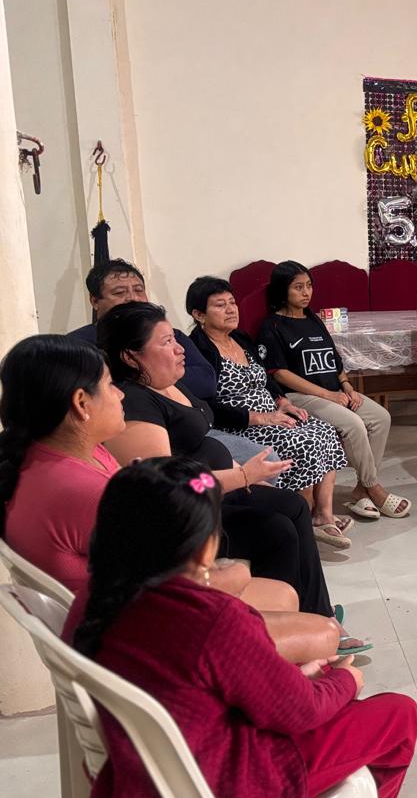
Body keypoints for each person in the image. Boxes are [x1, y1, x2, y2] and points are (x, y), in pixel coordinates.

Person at [65, 457, 417, 798]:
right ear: (204, 548)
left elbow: (193, 686)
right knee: (399, 715)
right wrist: (344, 681)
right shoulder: (208, 619)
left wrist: (296, 678)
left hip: (142, 781)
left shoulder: (92, 600)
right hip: (223, 791)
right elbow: (300, 711)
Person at [0, 334, 345, 662]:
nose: (119, 395)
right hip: (141, 633)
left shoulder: (52, 458)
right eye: (108, 385)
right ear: (80, 403)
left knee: (283, 578)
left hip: (126, 607)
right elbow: (175, 579)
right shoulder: (83, 490)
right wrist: (234, 574)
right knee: (321, 632)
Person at [97, 302, 364, 653]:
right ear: (131, 356)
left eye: (175, 338)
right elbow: (167, 492)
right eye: (165, 342)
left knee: (292, 507)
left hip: (215, 489)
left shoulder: (170, 384)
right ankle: (287, 625)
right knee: (276, 528)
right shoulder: (137, 404)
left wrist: (246, 470)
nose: (179, 348)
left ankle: (313, 613)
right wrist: (241, 476)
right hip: (190, 517)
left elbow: (206, 434)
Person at [186, 276, 352, 547]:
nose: (231, 309)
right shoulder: (199, 349)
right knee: (303, 442)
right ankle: (300, 521)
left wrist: (282, 401)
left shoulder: (239, 338)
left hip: (273, 415)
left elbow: (266, 377)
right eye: (220, 305)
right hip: (240, 424)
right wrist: (258, 418)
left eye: (232, 303)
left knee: (324, 430)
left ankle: (323, 515)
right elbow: (207, 405)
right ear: (199, 314)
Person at [69, 258, 272, 467]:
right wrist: (241, 477)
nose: (132, 298)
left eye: (139, 290)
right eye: (119, 292)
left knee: (271, 462)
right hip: (180, 447)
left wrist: (157, 373)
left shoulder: (168, 332)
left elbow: (206, 381)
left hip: (203, 432)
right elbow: (165, 478)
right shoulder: (79, 346)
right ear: (95, 301)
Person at [258, 261, 411, 522]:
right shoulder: (272, 326)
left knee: (381, 417)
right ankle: (373, 487)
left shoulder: (313, 319)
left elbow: (335, 359)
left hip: (335, 390)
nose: (306, 292)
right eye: (298, 287)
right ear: (283, 290)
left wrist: (347, 386)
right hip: (300, 397)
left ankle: (361, 488)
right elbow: (280, 373)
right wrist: (327, 395)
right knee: (354, 425)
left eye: (309, 286)